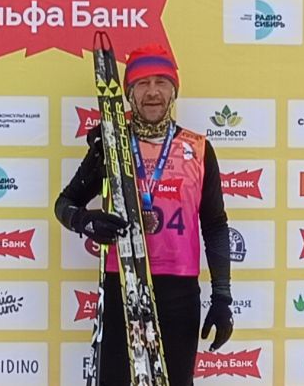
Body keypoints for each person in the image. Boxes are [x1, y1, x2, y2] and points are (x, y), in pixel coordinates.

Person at [55, 44, 233, 386]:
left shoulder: (198, 149)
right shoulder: (111, 146)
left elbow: (214, 225)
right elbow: (65, 203)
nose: (153, 92)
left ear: (174, 90)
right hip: (123, 284)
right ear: (129, 93)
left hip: (179, 291)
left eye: (161, 82)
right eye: (142, 83)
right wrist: (86, 221)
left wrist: (222, 296)